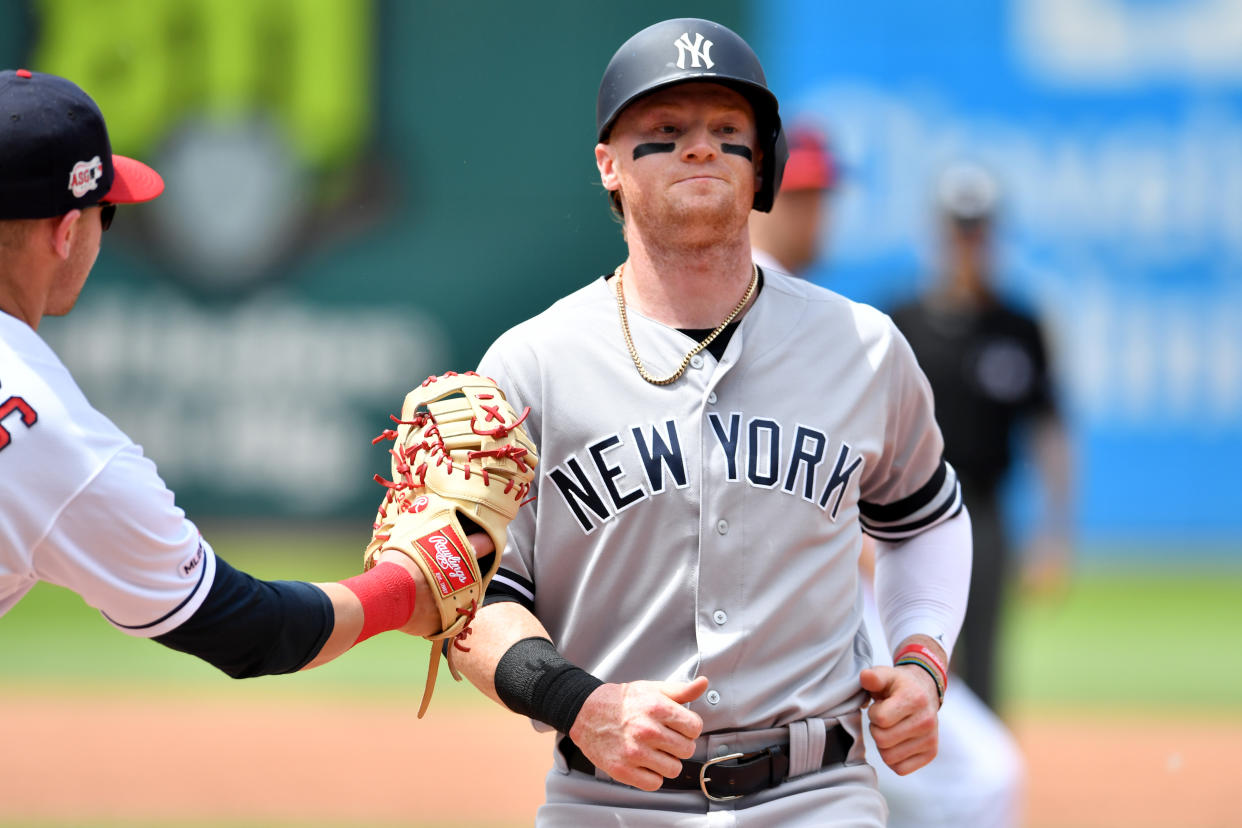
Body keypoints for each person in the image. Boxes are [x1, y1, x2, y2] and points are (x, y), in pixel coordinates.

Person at [452, 19, 973, 825]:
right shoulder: (532, 365)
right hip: (607, 797)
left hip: (819, 793)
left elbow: (924, 520)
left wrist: (922, 659)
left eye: (727, 130)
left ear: (760, 164)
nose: (700, 147)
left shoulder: (862, 348)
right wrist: (579, 704)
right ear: (609, 166)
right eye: (664, 130)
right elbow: (475, 603)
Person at [0, 68, 483, 677]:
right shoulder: (56, 441)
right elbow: (252, 629)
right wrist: (408, 584)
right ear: (67, 232)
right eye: (107, 212)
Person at [751, 130, 1025, 826]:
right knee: (981, 774)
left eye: (820, 196)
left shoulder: (797, 306)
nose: (816, 214)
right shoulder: (762, 304)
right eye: (800, 196)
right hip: (818, 589)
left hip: (831, 579)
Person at [889, 162, 1073, 712]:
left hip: (985, 513)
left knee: (985, 659)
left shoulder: (1019, 326)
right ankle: (914, 791)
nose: (969, 241)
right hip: (907, 514)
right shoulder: (902, 322)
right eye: (958, 227)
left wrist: (1055, 531)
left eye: (978, 227)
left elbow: (1049, 431)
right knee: (907, 653)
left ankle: (980, 787)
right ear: (939, 232)